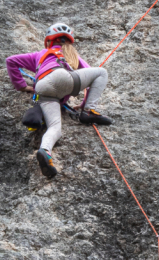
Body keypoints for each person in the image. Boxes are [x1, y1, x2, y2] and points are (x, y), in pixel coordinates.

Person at [6, 22, 112, 180]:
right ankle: (90, 111)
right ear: (69, 41)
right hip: (61, 76)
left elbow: (11, 61)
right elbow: (90, 81)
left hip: (42, 88)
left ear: (49, 41)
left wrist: (22, 86)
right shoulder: (73, 56)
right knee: (101, 72)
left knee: (55, 128)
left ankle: (45, 152)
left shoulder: (40, 55)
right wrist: (83, 106)